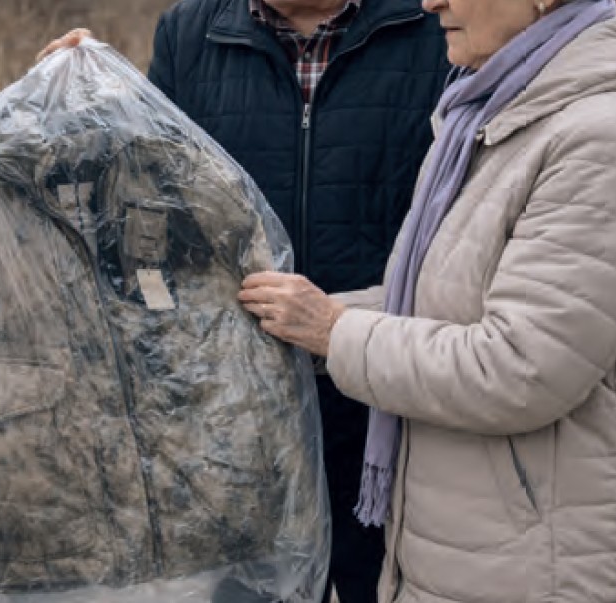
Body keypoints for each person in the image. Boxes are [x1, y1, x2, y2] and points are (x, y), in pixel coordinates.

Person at [42, 1, 450, 601]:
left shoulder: (437, 25)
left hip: (389, 408)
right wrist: (95, 104)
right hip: (239, 420)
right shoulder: (190, 32)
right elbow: (148, 207)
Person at [238, 0, 616, 600]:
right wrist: (300, 324)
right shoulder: (490, 112)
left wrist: (335, 330)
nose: (428, 2)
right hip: (466, 552)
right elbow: (437, 304)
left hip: (531, 569)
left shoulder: (595, 138)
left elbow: (519, 367)